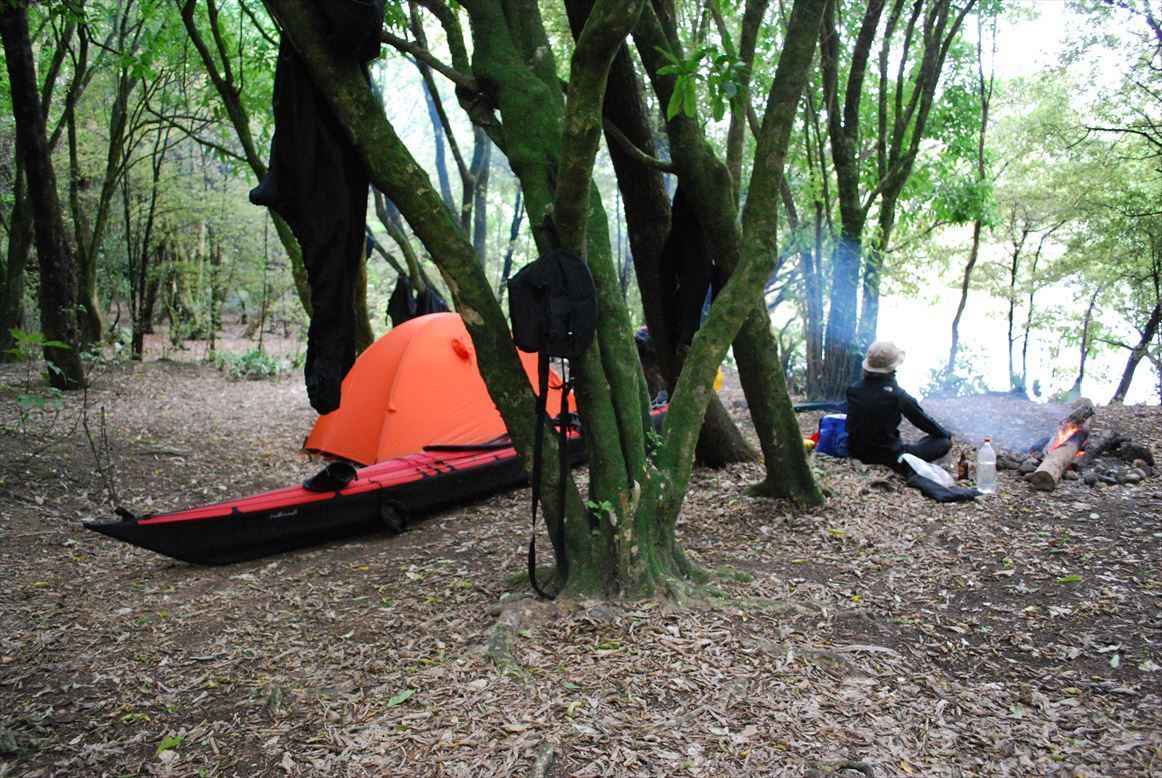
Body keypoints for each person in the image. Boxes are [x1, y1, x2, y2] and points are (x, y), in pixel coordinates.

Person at [845, 340, 952, 472]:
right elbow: (923, 421)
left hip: (855, 452)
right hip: (889, 456)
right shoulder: (898, 395)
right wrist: (946, 434)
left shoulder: (853, 390)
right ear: (892, 367)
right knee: (943, 442)